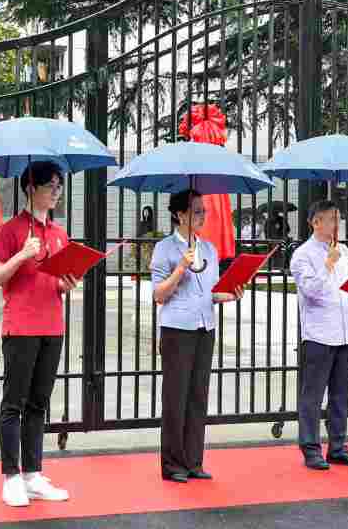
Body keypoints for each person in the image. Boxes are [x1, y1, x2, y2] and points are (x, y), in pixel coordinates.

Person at [0, 161, 79, 507]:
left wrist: (67, 283)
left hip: (53, 326)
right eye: (50, 186)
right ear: (30, 187)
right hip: (21, 327)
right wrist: (22, 255)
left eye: (59, 186)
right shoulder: (9, 231)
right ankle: (11, 477)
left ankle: (33, 474)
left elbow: (54, 281)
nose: (57, 192)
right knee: (14, 404)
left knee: (39, 404)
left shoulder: (58, 233)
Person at [150, 190, 244, 483]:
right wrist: (180, 268)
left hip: (205, 327)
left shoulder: (210, 250)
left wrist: (229, 294)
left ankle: (193, 460)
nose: (203, 216)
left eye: (204, 211)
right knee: (175, 398)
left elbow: (210, 291)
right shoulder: (164, 249)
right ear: (180, 215)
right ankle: (173, 464)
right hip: (177, 329)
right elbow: (158, 295)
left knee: (197, 396)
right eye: (197, 211)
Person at [290, 200, 348, 470]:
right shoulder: (302, 255)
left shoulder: (345, 251)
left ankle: (338, 446)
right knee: (313, 396)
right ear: (315, 222)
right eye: (329, 219)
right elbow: (312, 291)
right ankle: (311, 448)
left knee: (340, 394)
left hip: (345, 332)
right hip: (318, 334)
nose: (335, 224)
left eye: (337, 218)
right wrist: (328, 263)